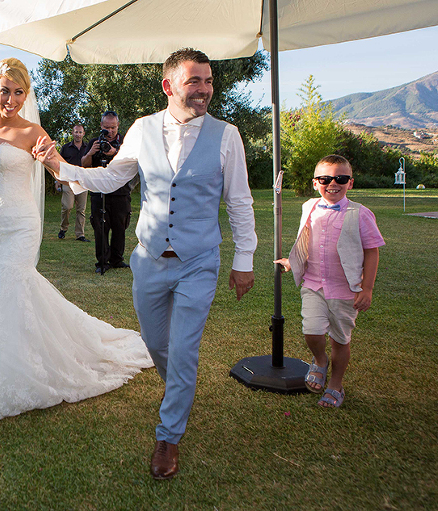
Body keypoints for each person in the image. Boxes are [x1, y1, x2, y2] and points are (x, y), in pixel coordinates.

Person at [34, 48, 257, 480]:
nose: (205, 90)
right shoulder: (142, 129)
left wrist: (244, 258)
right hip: (150, 259)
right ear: (169, 85)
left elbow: (240, 202)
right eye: (194, 81)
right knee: (157, 346)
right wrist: (61, 167)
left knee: (184, 350)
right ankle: (179, 390)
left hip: (198, 262)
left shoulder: (227, 136)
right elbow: (112, 177)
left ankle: (168, 436)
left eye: (209, 81)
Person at [0, 58, 153, 423]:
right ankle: (0, 367)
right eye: (5, 91)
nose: (11, 99)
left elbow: (64, 174)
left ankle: (7, 379)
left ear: (26, 95)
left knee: (5, 290)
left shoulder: (33, 132)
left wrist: (53, 161)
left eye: (19, 92)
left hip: (19, 226)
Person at [275, 154, 384, 408]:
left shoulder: (360, 214)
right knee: (311, 331)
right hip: (313, 284)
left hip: (345, 290)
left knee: (340, 339)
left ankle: (335, 384)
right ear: (315, 183)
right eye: (325, 179)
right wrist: (293, 262)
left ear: (350, 183)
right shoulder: (309, 207)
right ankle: (320, 360)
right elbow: (306, 239)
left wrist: (367, 288)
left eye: (341, 178)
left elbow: (372, 251)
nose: (332, 183)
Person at [82, 111, 130, 274]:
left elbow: (132, 162)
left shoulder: (125, 142)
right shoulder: (94, 142)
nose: (110, 131)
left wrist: (114, 152)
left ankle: (117, 259)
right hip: (99, 191)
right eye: (107, 127)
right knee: (100, 227)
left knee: (120, 227)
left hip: (120, 192)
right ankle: (102, 261)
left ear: (118, 125)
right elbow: (84, 164)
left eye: (113, 127)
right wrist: (91, 152)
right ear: (101, 125)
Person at [57, 125, 90, 242]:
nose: (78, 134)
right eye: (76, 132)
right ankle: (63, 228)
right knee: (67, 206)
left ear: (83, 133)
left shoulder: (88, 147)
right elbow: (59, 164)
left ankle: (80, 234)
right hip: (68, 180)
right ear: (72, 133)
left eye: (80, 132)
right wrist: (57, 180)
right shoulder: (66, 148)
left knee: (81, 209)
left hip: (83, 181)